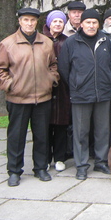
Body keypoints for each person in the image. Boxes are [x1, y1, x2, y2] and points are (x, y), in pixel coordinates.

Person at [0, 7, 59, 187]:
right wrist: (11, 86)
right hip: (18, 99)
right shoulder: (8, 44)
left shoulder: (46, 42)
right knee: (16, 137)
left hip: (42, 98)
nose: (29, 23)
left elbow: (53, 65)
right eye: (26, 20)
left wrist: (51, 80)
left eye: (32, 20)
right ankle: (14, 171)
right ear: (20, 21)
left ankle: (41, 168)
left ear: (37, 22)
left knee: (42, 136)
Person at [58, 9, 111, 180]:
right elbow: (64, 68)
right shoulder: (71, 42)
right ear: (81, 24)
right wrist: (76, 83)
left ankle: (101, 161)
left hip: (103, 92)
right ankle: (81, 165)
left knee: (102, 131)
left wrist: (107, 81)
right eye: (88, 22)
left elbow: (109, 64)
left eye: (94, 22)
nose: (91, 25)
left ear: (99, 24)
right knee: (81, 132)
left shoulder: (105, 40)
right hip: (81, 94)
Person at [43, 10, 70, 172]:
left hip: (63, 89)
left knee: (61, 125)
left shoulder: (67, 41)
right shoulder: (41, 40)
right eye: (55, 21)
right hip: (44, 88)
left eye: (61, 22)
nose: (58, 24)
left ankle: (59, 157)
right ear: (49, 23)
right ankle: (45, 158)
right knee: (44, 126)